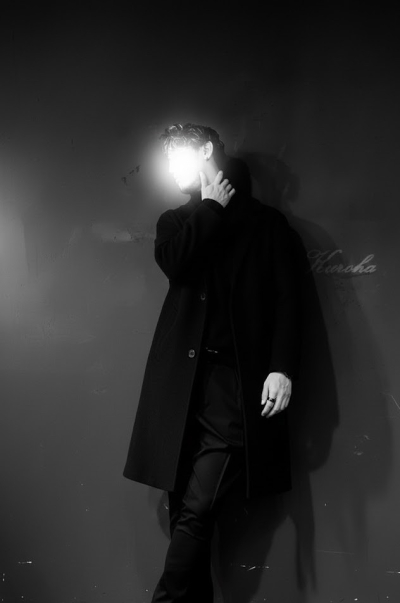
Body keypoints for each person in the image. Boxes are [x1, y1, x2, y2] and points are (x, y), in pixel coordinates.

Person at [123, 123, 302, 603]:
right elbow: (174, 263)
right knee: (185, 510)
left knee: (199, 508)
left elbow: (289, 301)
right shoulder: (177, 221)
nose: (172, 169)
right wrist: (210, 209)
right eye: (167, 161)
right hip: (179, 388)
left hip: (233, 385)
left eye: (179, 156)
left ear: (206, 150)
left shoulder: (266, 225)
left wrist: (281, 368)